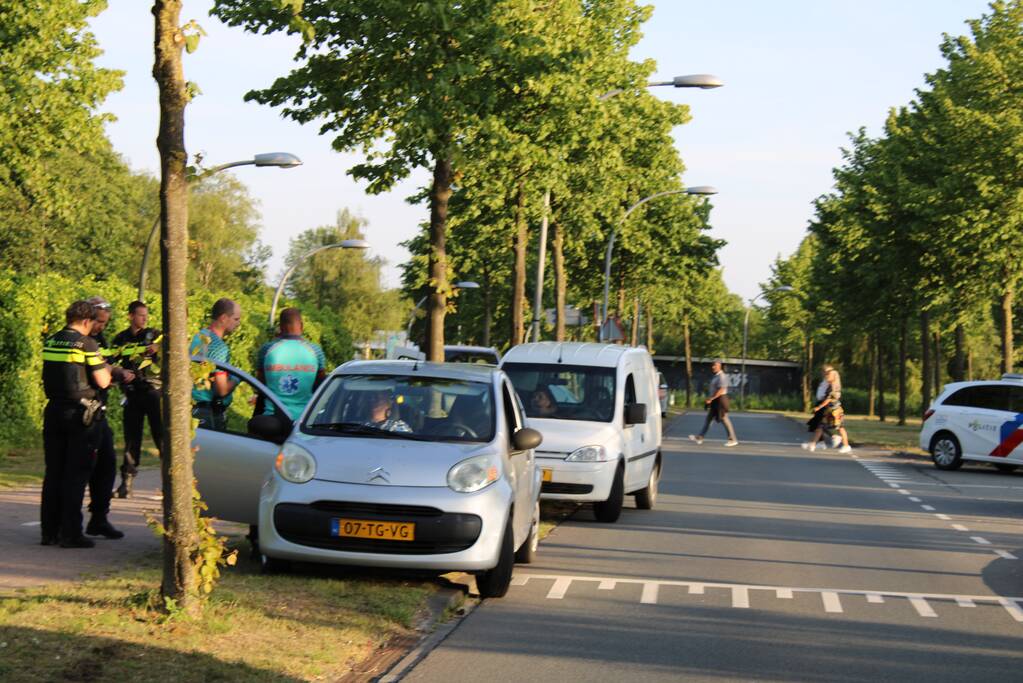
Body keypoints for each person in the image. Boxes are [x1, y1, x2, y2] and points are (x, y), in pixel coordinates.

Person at [40, 301, 113, 548]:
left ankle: (49, 531)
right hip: (81, 416)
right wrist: (110, 370)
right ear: (85, 321)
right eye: (94, 322)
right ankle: (71, 533)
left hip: (53, 411)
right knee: (76, 474)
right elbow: (102, 381)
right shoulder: (87, 344)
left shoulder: (51, 340)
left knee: (54, 472)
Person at [83, 296, 133, 540]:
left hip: (99, 410)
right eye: (99, 321)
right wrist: (116, 373)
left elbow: (106, 364)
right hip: (84, 412)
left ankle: (99, 517)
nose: (102, 326)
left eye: (105, 322)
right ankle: (69, 521)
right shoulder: (83, 341)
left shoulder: (99, 339)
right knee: (81, 468)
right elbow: (99, 371)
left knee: (107, 464)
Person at [111, 301, 162, 498]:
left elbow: (172, 341)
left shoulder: (153, 334)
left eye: (146, 315)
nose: (144, 319)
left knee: (161, 438)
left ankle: (170, 482)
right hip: (132, 394)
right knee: (132, 440)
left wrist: (156, 347)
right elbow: (110, 362)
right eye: (141, 315)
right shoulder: (121, 338)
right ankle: (126, 483)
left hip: (152, 391)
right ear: (130, 316)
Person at [256, 308, 326, 420]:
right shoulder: (315, 351)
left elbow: (260, 385)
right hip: (304, 418)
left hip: (272, 416)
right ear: (301, 326)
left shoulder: (267, 349)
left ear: (280, 327)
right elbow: (320, 386)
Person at [189, 298, 242, 431]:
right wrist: (236, 378)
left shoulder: (198, 336)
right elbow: (221, 390)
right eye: (236, 319)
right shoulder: (219, 347)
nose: (239, 324)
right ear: (224, 318)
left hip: (188, 404)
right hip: (204, 409)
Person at [689, 360, 739, 447]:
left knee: (724, 419)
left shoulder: (722, 376)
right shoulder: (716, 376)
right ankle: (700, 437)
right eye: (712, 365)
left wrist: (711, 398)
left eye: (715, 365)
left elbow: (721, 390)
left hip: (720, 400)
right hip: (715, 401)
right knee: (709, 419)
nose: (713, 367)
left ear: (719, 366)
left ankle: (733, 439)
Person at [803, 367, 852, 453]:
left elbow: (829, 399)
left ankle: (846, 445)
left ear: (833, 377)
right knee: (821, 426)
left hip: (835, 410)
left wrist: (819, 407)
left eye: (829, 375)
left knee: (840, 428)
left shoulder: (833, 386)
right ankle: (814, 444)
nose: (827, 376)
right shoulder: (830, 385)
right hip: (830, 410)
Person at [806, 364, 838, 449]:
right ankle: (821, 442)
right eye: (824, 371)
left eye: (827, 371)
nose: (824, 373)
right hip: (820, 402)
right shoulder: (824, 381)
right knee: (817, 423)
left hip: (824, 404)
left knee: (820, 424)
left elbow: (829, 396)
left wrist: (820, 406)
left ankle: (833, 437)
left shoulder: (830, 382)